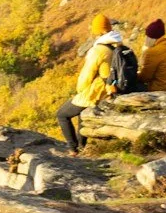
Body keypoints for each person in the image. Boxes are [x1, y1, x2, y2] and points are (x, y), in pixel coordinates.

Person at [57, 17, 137, 152]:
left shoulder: (99, 50)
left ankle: (72, 148)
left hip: (98, 91)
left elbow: (87, 75)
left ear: (97, 31)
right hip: (112, 88)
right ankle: (82, 146)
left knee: (62, 115)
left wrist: (80, 90)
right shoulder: (118, 44)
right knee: (83, 114)